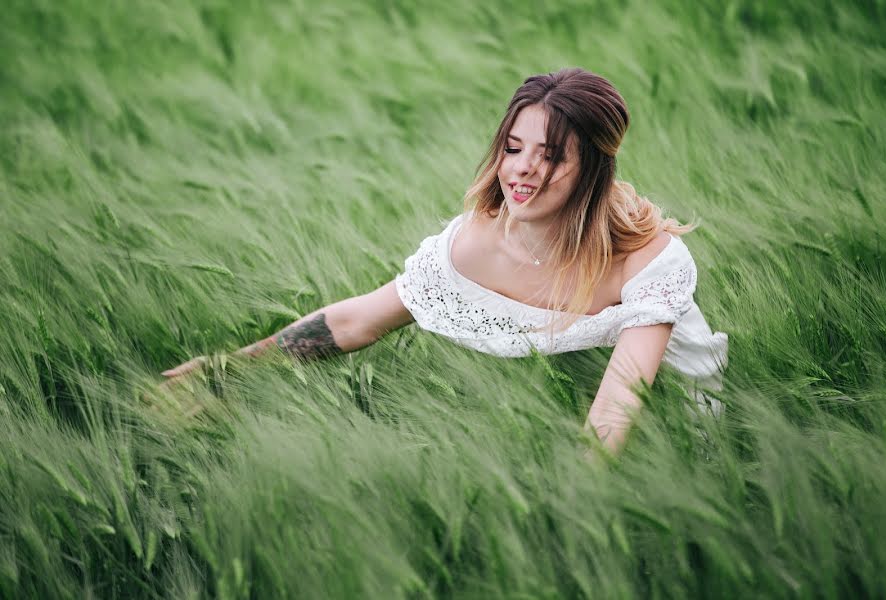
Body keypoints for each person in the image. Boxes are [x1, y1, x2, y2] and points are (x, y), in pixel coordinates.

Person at [161, 68, 729, 456]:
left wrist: (575, 512)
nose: (523, 169)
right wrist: (228, 369)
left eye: (551, 155)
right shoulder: (473, 245)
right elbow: (359, 321)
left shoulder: (647, 261)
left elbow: (615, 410)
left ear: (595, 169)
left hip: (678, 422)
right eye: (513, 147)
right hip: (553, 417)